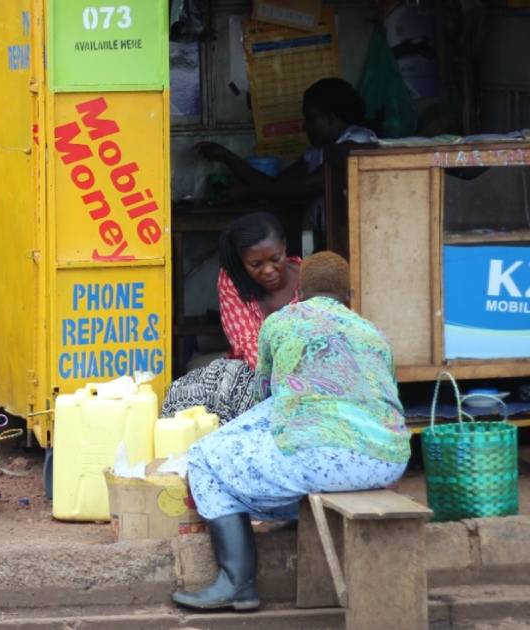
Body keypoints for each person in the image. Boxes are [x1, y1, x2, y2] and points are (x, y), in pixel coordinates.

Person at [173, 251, 411, 612]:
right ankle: (277, 528)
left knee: (204, 459)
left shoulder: (280, 324)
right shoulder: (374, 334)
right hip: (386, 463)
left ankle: (237, 583)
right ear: (349, 296)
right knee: (280, 442)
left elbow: (263, 396)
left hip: (318, 460)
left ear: (299, 291)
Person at [195, 78, 378, 246]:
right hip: (328, 239)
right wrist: (226, 156)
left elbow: (308, 187)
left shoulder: (359, 141)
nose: (305, 126)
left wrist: (249, 192)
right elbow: (276, 185)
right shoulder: (317, 151)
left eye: (311, 118)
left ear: (331, 118)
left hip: (357, 242)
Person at [162, 212, 300, 422]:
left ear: (285, 246)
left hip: (307, 370)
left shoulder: (308, 276)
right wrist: (284, 386)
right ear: (241, 261)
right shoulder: (232, 280)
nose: (268, 270)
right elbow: (248, 344)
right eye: (256, 264)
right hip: (256, 371)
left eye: (275, 259)